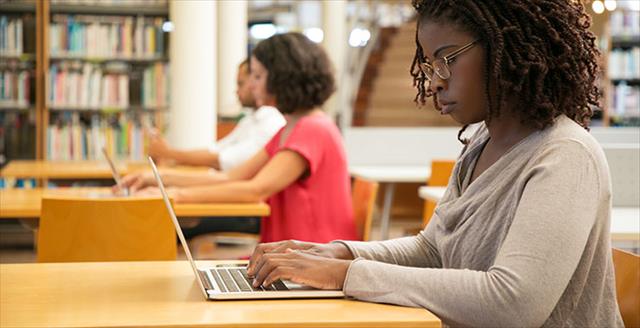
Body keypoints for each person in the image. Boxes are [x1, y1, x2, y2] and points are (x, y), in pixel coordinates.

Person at [245, 1, 623, 327]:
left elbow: (514, 304)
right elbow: (433, 250)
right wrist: (341, 253)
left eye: (447, 59)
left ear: (503, 49)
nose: (434, 83)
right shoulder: (480, 144)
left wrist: (348, 274)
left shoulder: (565, 154)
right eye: (429, 65)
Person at [123, 32, 358, 243]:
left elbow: (255, 189)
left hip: (312, 257)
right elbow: (231, 177)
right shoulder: (290, 129)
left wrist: (175, 194)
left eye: (257, 76)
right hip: (292, 253)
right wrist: (160, 179)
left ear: (281, 78)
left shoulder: (312, 129)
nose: (253, 86)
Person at [147, 59, 285, 171]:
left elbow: (222, 160)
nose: (237, 91)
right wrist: (171, 157)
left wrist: (168, 154)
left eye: (241, 84)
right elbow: (215, 150)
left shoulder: (271, 121)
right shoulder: (251, 120)